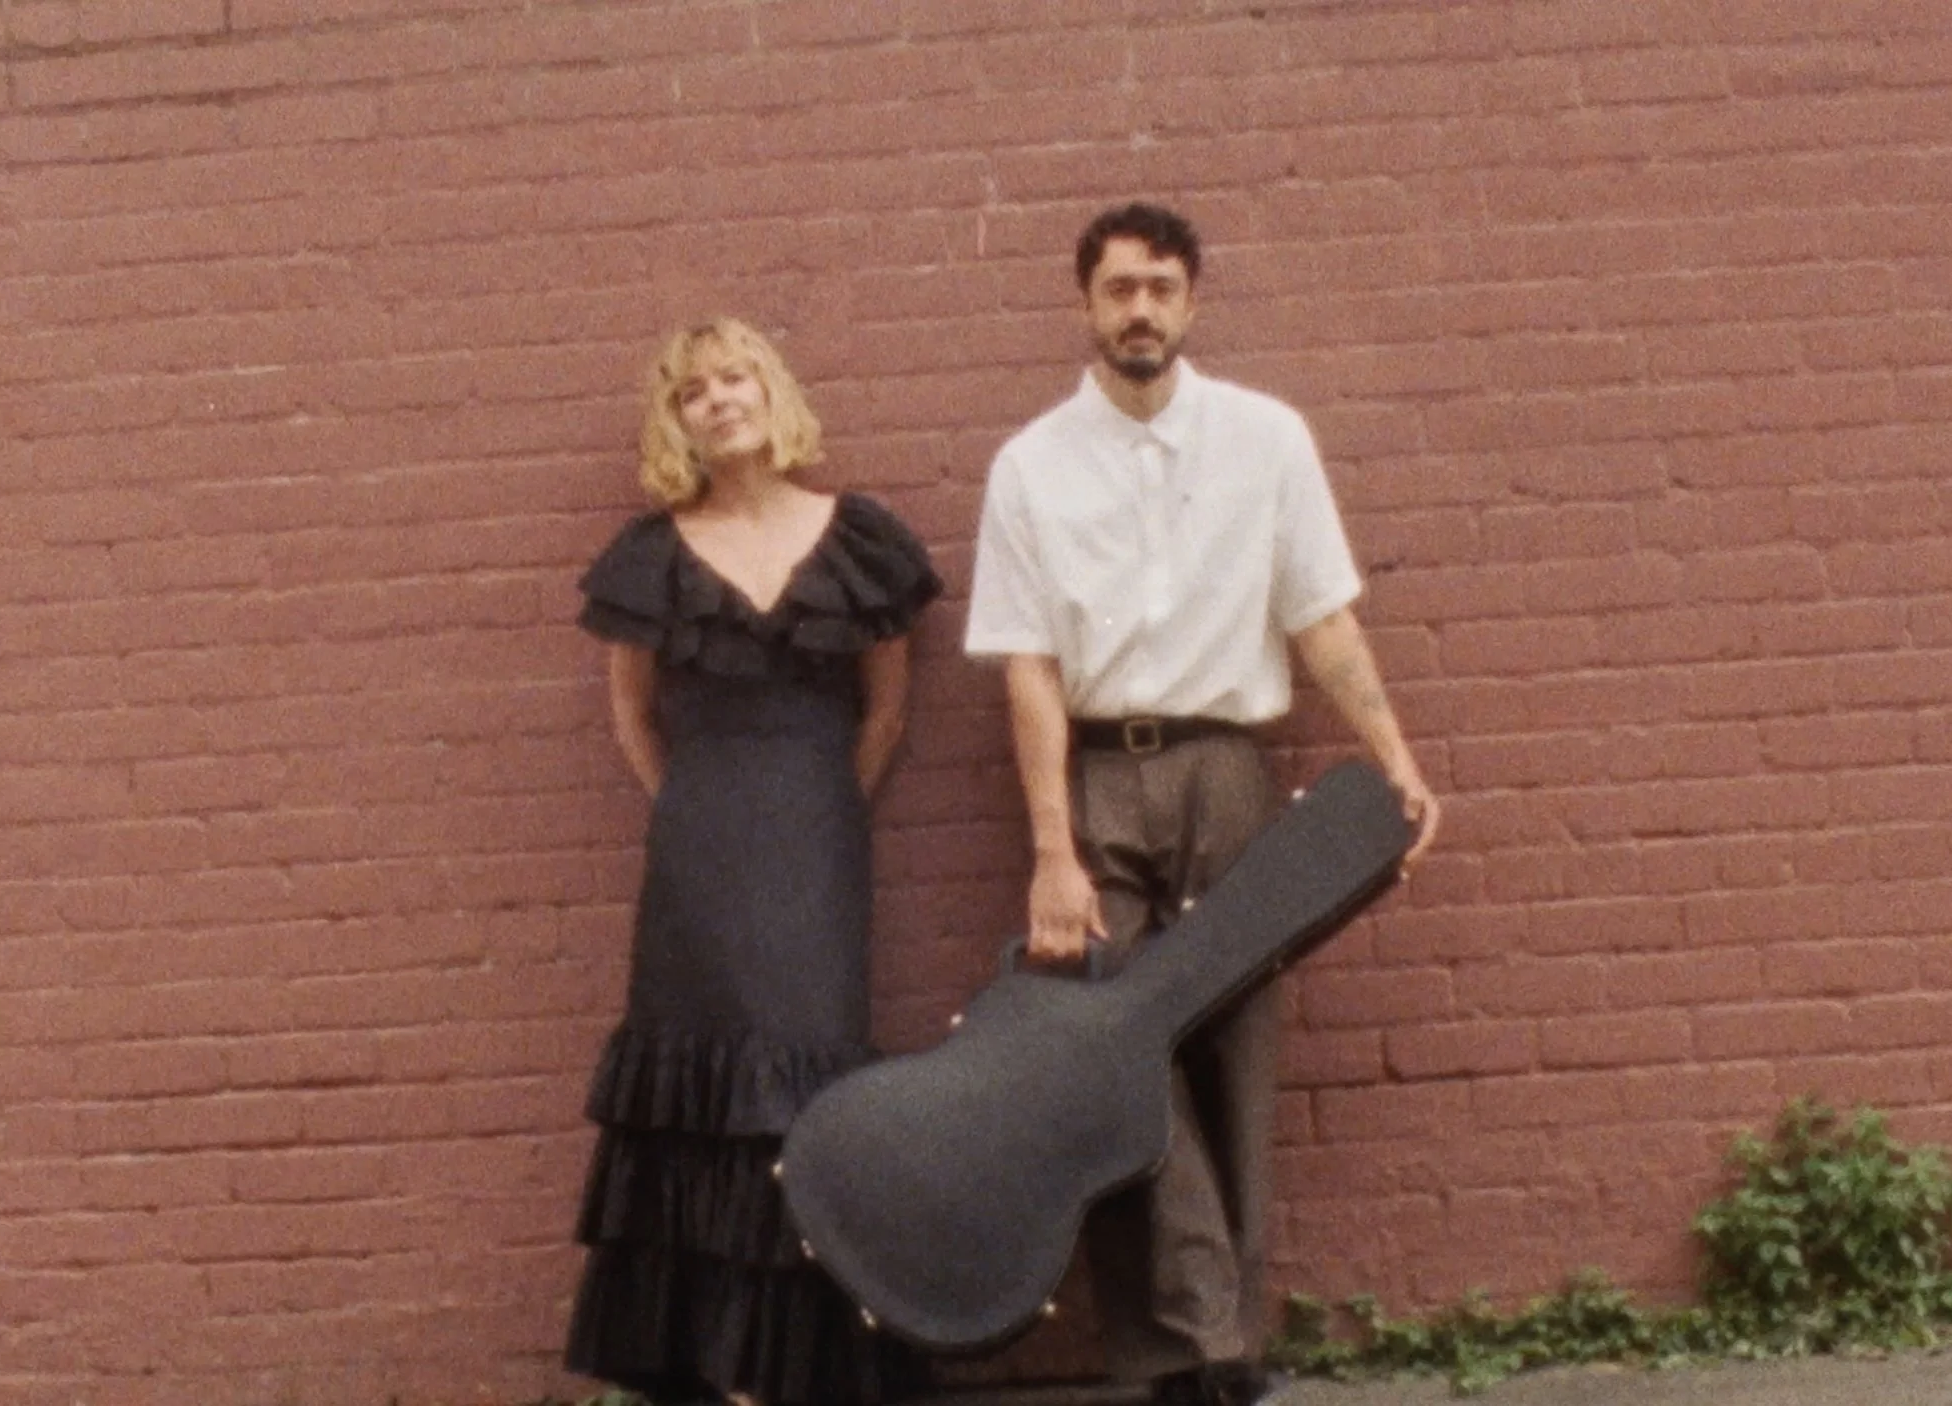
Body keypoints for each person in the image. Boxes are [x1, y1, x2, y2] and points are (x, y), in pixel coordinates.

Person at [962, 204, 1442, 1406]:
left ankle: (1224, 1341)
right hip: (1098, 776)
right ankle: (1191, 1352)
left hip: (1230, 769)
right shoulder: (1030, 466)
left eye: (1162, 288)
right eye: (1119, 287)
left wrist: (1392, 756)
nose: (1140, 309)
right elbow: (1025, 665)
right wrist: (1050, 852)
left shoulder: (1267, 440)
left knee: (1239, 1050)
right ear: (1084, 302)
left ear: (1193, 301)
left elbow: (1320, 618)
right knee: (1115, 1054)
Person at [564, 317, 940, 1406]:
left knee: (802, 1082)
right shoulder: (648, 555)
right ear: (675, 421)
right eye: (694, 390)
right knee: (706, 1077)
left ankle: (799, 1367)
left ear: (772, 392)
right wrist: (705, 811)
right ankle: (715, 1367)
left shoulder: (860, 538)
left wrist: (817, 807)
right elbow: (635, 722)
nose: (719, 399)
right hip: (701, 843)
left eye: (736, 377)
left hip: (818, 834)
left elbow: (886, 711)